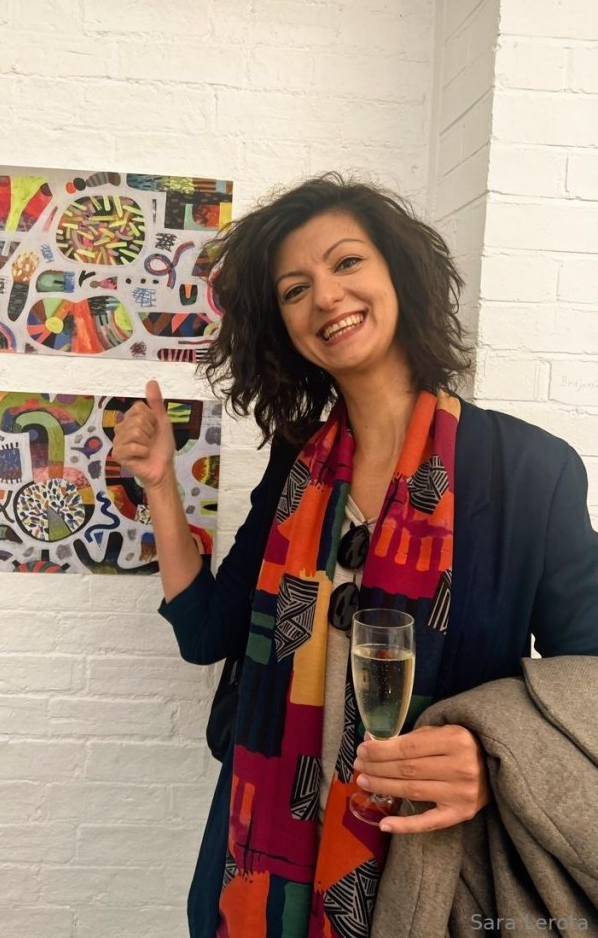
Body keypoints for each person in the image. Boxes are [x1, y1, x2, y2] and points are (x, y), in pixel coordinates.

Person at [112, 174, 598, 938]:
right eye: (295, 289)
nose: (326, 297)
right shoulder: (295, 466)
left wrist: (495, 753)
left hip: (431, 876)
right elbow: (206, 632)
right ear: (283, 327)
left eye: (346, 263)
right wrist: (159, 486)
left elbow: (590, 674)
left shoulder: (528, 470)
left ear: (398, 273)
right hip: (257, 869)